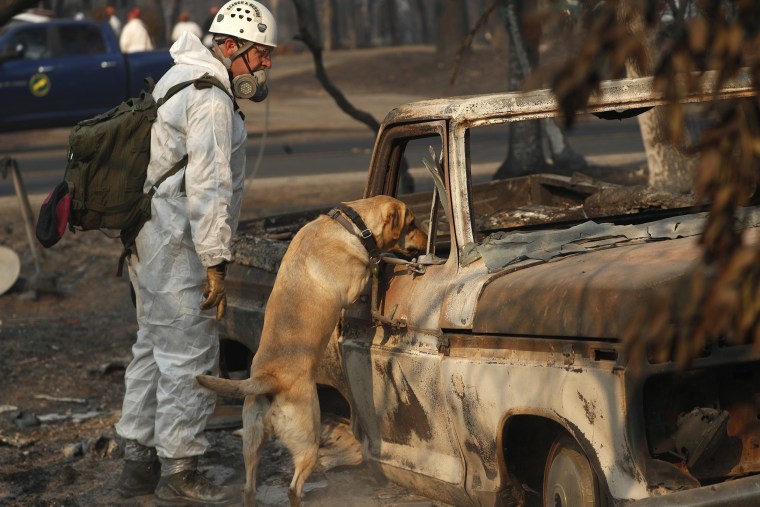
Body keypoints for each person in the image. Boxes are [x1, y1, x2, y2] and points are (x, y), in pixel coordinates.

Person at [113, 0, 276, 505]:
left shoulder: (180, 75)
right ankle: (180, 471)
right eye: (259, 55)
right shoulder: (208, 98)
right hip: (178, 246)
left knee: (152, 349)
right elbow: (208, 187)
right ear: (229, 46)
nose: (265, 65)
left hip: (150, 238)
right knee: (190, 356)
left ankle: (137, 465)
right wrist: (215, 263)